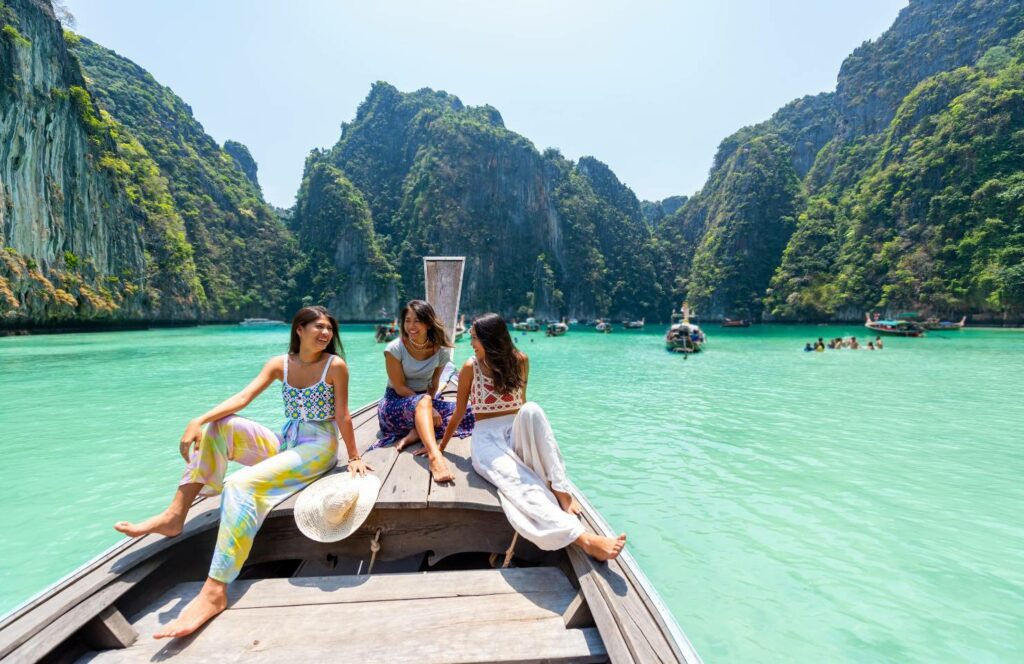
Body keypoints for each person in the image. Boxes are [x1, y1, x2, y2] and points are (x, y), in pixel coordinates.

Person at [113, 306, 368, 638]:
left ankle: (215, 589)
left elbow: (344, 415)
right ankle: (175, 514)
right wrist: (200, 420)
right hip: (288, 440)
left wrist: (354, 456)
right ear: (299, 329)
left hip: (317, 448)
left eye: (330, 329)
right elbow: (244, 397)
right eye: (319, 327)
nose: (326, 334)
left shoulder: (336, 366)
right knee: (220, 428)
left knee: (240, 485)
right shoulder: (281, 364)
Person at [426, 313, 627, 561]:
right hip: (487, 440)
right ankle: (584, 539)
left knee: (532, 410)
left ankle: (561, 490)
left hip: (515, 430)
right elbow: (458, 414)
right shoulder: (470, 368)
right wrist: (439, 449)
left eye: (475, 338)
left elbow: (522, 404)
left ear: (490, 339)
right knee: (521, 482)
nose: (471, 343)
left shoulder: (520, 361)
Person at [374, 300, 474, 482]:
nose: (411, 326)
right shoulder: (395, 349)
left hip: (425, 401)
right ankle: (435, 457)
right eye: (407, 320)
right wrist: (428, 404)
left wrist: (429, 403)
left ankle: (416, 431)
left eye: (417, 320)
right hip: (395, 404)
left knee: (470, 411)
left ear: (428, 323)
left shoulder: (441, 350)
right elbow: (399, 387)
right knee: (426, 404)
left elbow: (434, 384)